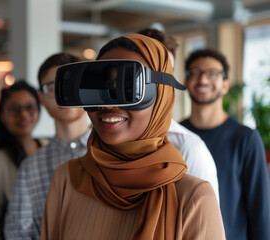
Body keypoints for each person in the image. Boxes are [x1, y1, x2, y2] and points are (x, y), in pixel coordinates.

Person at [41, 34, 225, 239]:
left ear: (161, 95)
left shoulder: (194, 197)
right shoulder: (66, 178)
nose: (108, 105)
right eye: (99, 88)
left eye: (127, 88)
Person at [180, 48, 270, 240]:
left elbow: (260, 211)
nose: (203, 80)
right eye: (195, 73)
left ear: (225, 85)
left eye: (212, 73)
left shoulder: (246, 139)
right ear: (186, 82)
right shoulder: (176, 136)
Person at [4, 53, 91, 239]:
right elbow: (17, 234)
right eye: (53, 88)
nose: (63, 94)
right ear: (41, 99)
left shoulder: (116, 151)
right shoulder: (30, 168)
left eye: (71, 84)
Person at [137, 28, 219, 201]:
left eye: (166, 72)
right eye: (149, 70)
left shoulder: (189, 148)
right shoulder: (105, 139)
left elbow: (204, 224)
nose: (159, 81)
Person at [0, 80, 46, 240]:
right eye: (14, 109)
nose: (23, 114)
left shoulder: (49, 149)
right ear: (3, 116)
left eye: (29, 107)